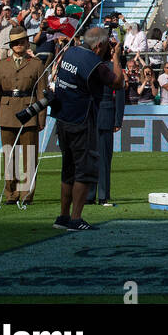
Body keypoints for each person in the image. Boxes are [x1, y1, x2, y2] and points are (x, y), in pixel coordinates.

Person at [49, 26, 125, 230]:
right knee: (84, 170)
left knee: (68, 169)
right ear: (99, 45)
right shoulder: (93, 63)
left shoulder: (70, 52)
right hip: (82, 119)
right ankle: (76, 218)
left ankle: (63, 217)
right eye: (107, 45)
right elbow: (117, 82)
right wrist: (116, 57)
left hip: (63, 117)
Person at [0, 26, 46, 206]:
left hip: (29, 114)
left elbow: (41, 94)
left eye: (21, 42)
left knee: (29, 157)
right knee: (9, 158)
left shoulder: (36, 64)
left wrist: (41, 118)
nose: (18, 45)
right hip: (6, 114)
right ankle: (11, 193)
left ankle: (26, 194)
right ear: (11, 45)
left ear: (27, 42)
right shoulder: (1, 65)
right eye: (15, 43)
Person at [96, 62, 127, 206]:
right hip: (91, 115)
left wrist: (117, 119)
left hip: (105, 115)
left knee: (103, 158)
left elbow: (120, 92)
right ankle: (90, 195)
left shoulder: (112, 67)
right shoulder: (89, 62)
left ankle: (102, 195)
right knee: (90, 157)